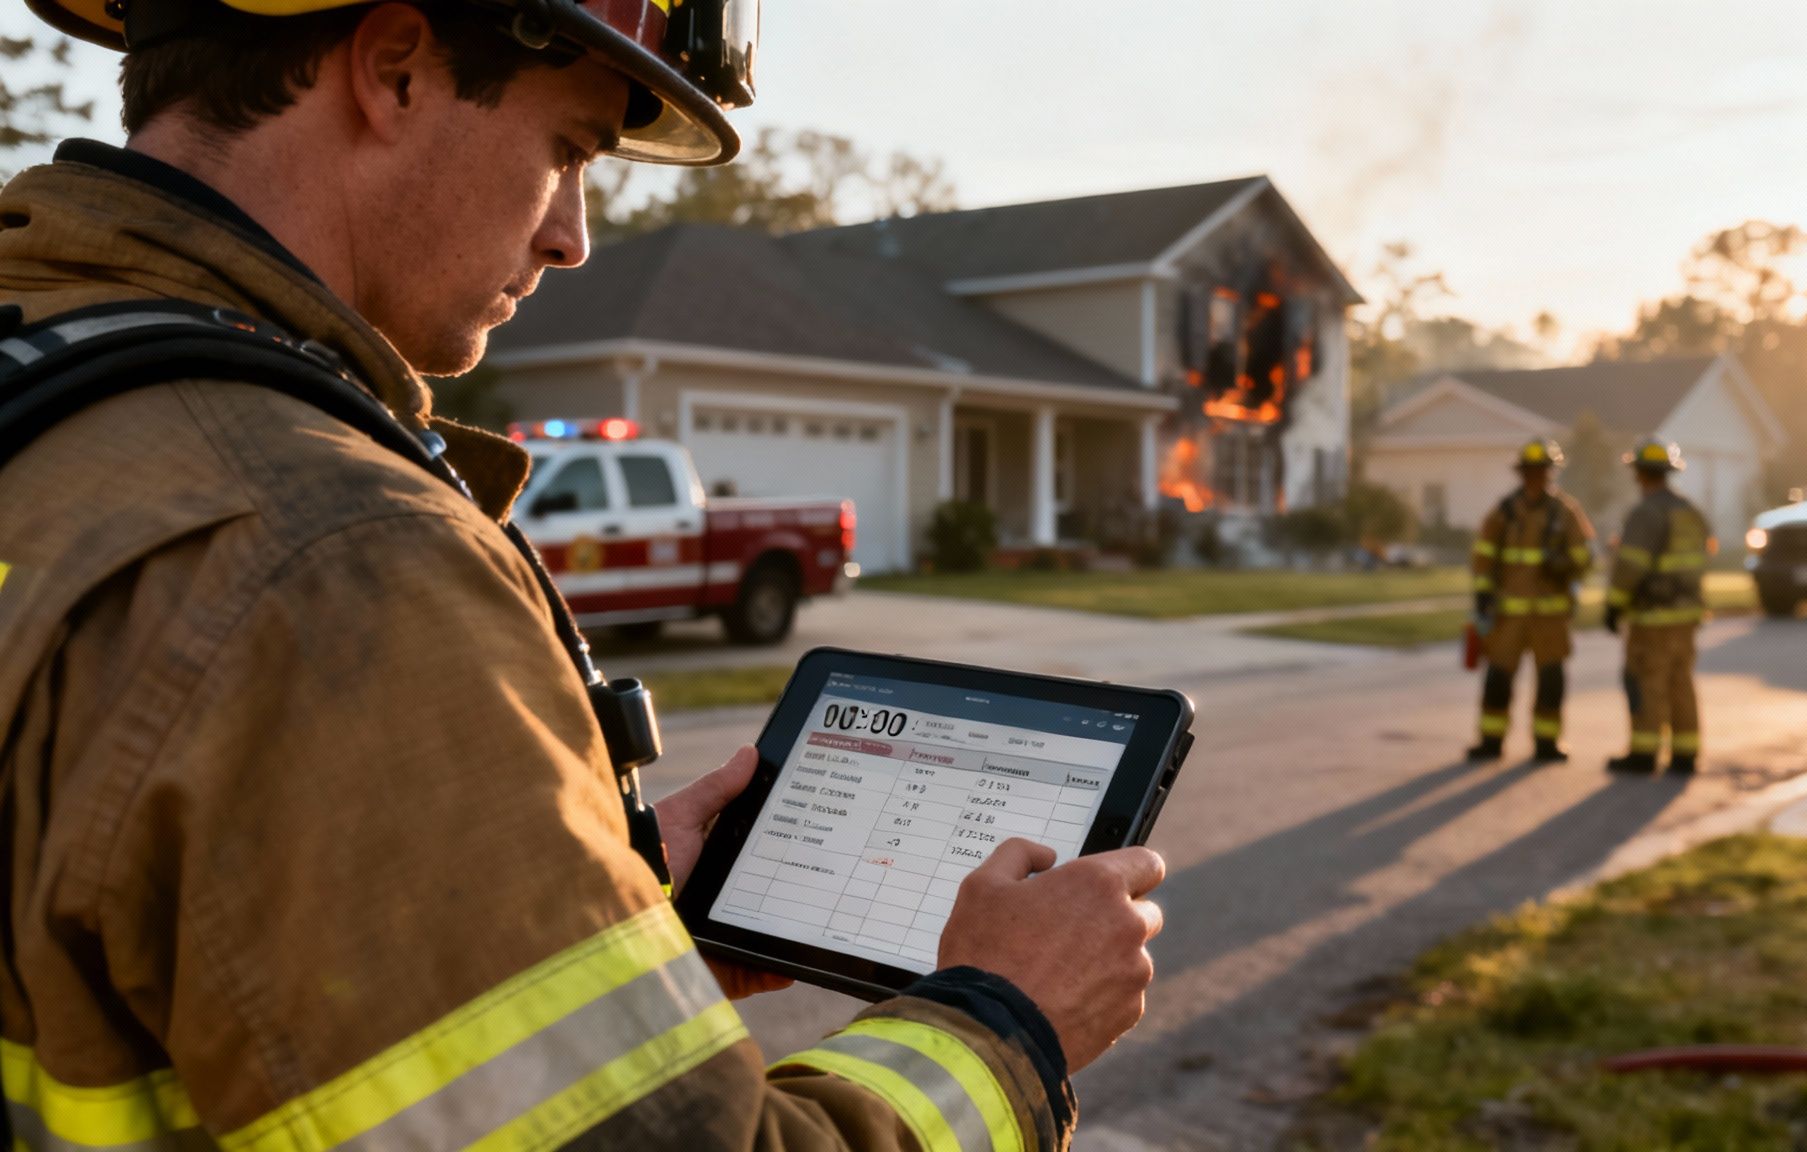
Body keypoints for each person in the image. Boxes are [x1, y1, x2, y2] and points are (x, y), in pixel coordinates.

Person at [0, 0, 1165, 1147]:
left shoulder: (54, 391)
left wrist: (576, 926)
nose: (572, 235)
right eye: (567, 149)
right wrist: (1004, 1025)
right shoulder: (332, 557)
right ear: (396, 67)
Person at [1467, 439, 1594, 764]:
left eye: (1541, 471)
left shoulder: (1565, 512)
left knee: (1551, 681)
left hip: (1550, 616)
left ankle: (1547, 743)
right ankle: (1491, 741)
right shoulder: (1504, 512)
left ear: (1549, 474)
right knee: (1498, 679)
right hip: (1508, 615)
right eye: (1530, 472)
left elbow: (1585, 557)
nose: (1536, 478)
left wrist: (1566, 564)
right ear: (1522, 474)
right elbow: (1483, 556)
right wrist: (1483, 595)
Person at [1603, 437, 1714, 775]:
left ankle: (1644, 754)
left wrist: (1614, 605)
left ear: (1639, 474)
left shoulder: (1645, 513)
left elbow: (1631, 566)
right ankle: (1685, 754)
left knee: (1647, 682)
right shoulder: (1690, 511)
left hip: (1652, 618)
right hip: (1686, 615)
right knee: (1680, 682)